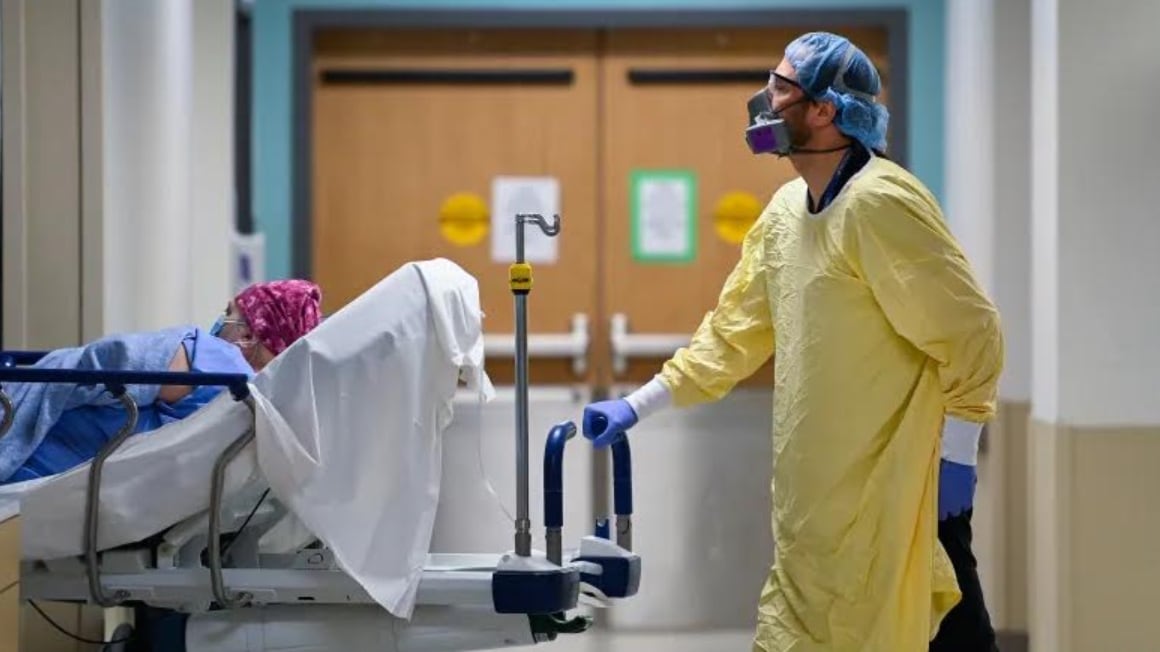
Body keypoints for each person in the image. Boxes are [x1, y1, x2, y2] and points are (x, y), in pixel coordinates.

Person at [581, 32, 1004, 652]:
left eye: (781, 87)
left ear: (826, 110)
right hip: (815, 514)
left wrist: (959, 459)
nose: (765, 100)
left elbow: (972, 332)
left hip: (899, 504)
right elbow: (733, 331)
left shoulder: (879, 204)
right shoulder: (785, 212)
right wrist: (639, 404)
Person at [0, 279, 322, 485]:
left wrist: (39, 376)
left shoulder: (213, 357)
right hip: (78, 473)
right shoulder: (261, 401)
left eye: (229, 313)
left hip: (39, 459)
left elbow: (105, 361)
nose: (219, 321)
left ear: (249, 335)